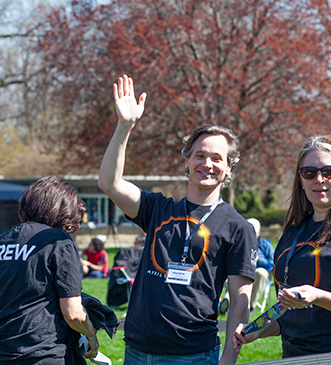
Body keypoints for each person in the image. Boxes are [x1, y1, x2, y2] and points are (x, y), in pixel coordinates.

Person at [98, 75, 258, 365]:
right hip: (137, 350)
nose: (207, 164)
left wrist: (229, 360)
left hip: (193, 355)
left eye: (216, 158)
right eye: (199, 156)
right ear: (187, 161)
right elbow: (109, 183)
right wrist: (125, 126)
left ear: (229, 167)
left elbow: (240, 303)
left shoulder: (238, 228)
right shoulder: (158, 209)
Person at [233, 135, 331, 358]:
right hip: (295, 357)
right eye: (309, 172)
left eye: (329, 171)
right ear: (301, 180)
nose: (319, 179)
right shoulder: (293, 231)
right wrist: (257, 332)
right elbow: (292, 317)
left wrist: (319, 296)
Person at [0, 176, 100, 363]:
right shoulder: (58, 240)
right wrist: (91, 335)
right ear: (63, 211)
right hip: (37, 354)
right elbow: (73, 314)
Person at [107, 234, 146, 307]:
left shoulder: (132, 252)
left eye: (135, 243)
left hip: (131, 277)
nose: (134, 245)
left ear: (142, 244)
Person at [247, 218, 274, 313]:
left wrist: (259, 260)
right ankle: (227, 303)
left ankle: (250, 306)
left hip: (258, 272)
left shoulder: (265, 245)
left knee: (261, 273)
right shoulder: (240, 244)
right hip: (242, 272)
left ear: (259, 232)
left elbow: (273, 262)